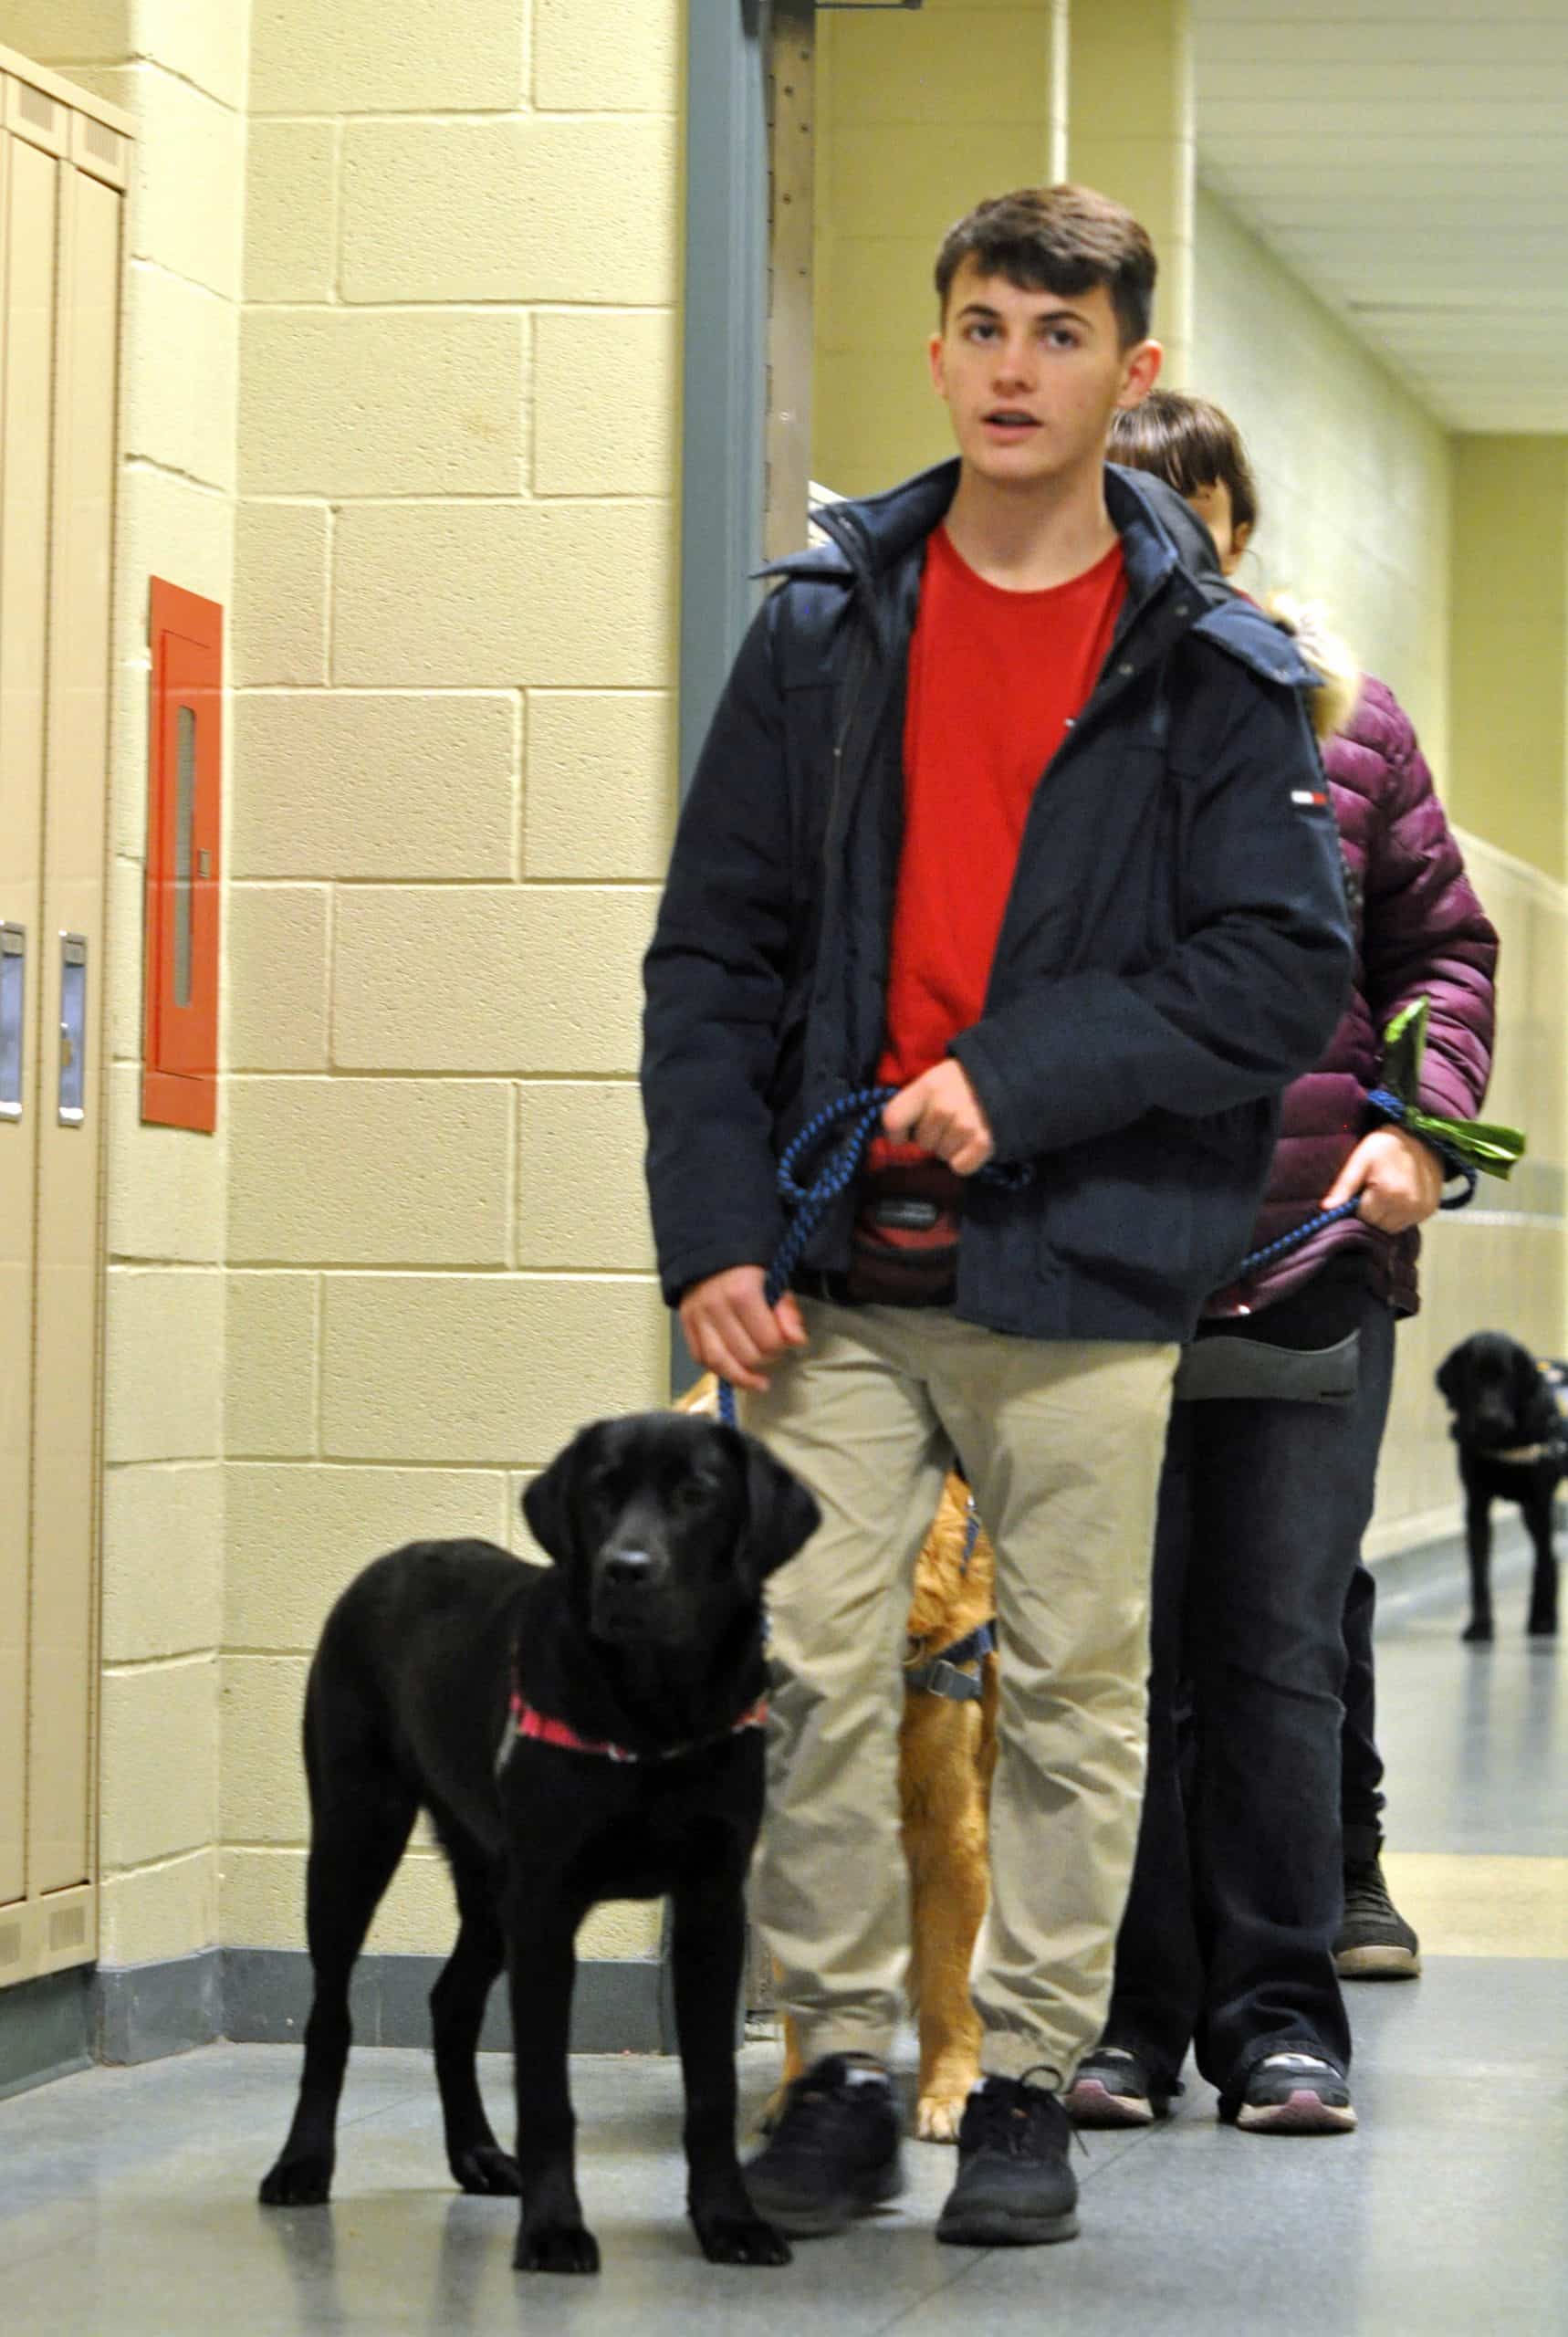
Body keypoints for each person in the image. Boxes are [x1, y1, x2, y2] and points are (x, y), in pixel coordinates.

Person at [640, 186, 1353, 2249]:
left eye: (1057, 333)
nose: (1012, 366)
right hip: (834, 1268)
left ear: (1128, 373)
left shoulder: (1213, 669)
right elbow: (713, 958)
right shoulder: (819, 627)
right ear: (936, 351)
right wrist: (711, 1229)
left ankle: (1023, 2079)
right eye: (979, 326)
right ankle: (844, 2066)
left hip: (1092, 1254)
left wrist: (1015, 1075)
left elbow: (1271, 968)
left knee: (1069, 1688)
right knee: (808, 1662)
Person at [1066, 390, 1497, 2135]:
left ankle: (1276, 2021)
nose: (1169, 537)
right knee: (1108, 1657)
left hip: (1308, 1263)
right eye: (1130, 505)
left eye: (1196, 506)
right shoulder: (1027, 719)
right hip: (1087, 1270)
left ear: (1239, 529)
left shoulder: (1351, 728)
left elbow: (1442, 956)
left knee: (1271, 1653)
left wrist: (1419, 1125)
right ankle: (1117, 2024)